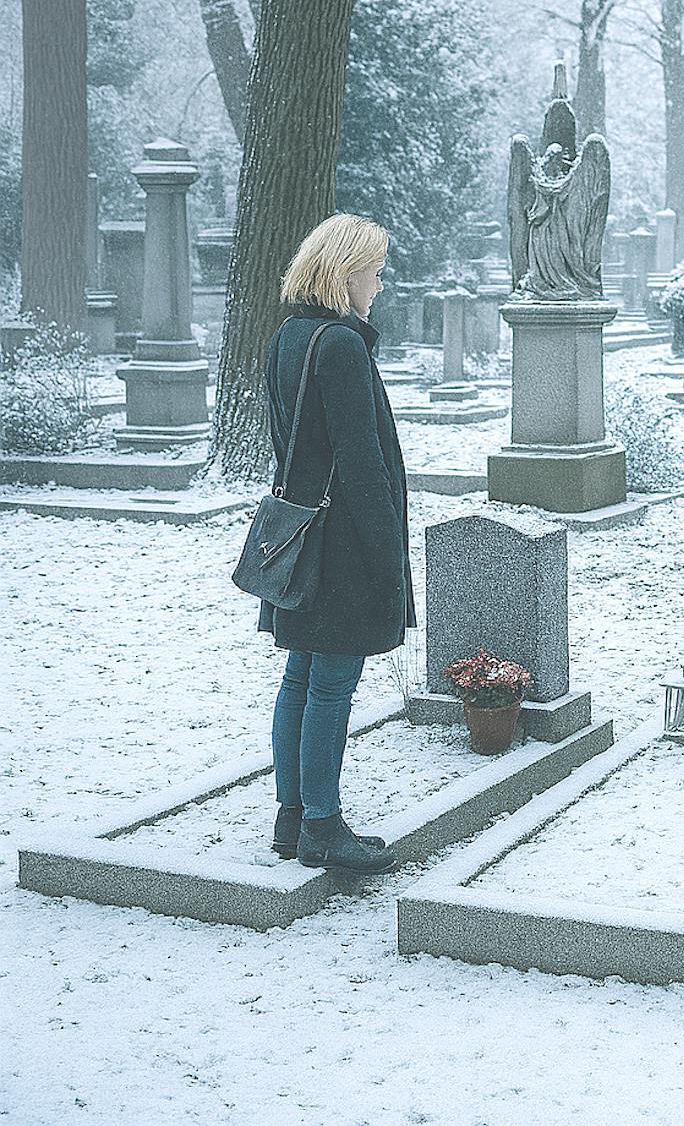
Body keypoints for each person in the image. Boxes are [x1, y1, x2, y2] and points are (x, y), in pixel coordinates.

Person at [259, 213, 413, 875]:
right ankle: (322, 825)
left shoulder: (289, 337)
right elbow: (363, 464)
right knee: (330, 686)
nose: (379, 284)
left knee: (301, 675)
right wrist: (389, 560)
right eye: (374, 271)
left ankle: (292, 816)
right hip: (344, 543)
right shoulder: (343, 346)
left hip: (300, 534)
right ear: (345, 271)